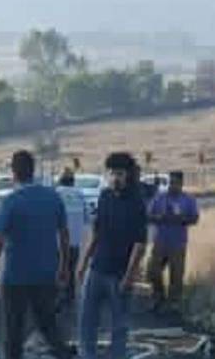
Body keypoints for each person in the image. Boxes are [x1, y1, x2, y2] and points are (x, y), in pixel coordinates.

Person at [0, 151, 73, 359]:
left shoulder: (11, 202)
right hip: (45, 273)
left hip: (16, 276)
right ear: (33, 170)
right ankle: (64, 354)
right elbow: (64, 235)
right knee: (49, 325)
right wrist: (64, 265)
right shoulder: (53, 197)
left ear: (13, 172)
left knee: (14, 331)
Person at [78, 153, 148, 359]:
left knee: (119, 324)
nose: (115, 178)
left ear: (128, 175)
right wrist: (83, 263)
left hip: (119, 273)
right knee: (87, 320)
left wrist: (129, 276)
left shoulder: (137, 202)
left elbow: (140, 244)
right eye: (111, 173)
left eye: (119, 173)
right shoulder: (105, 196)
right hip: (97, 268)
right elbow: (97, 233)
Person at [146, 170, 199, 313]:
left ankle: (173, 304)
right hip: (160, 241)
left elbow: (194, 218)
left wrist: (180, 218)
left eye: (175, 183)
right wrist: (161, 217)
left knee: (176, 276)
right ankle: (158, 296)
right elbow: (148, 216)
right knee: (152, 271)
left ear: (181, 184)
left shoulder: (188, 200)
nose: (172, 185)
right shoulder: (159, 198)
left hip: (178, 243)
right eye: (170, 182)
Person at [55, 168, 89, 310]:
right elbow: (87, 218)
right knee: (71, 266)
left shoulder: (56, 193)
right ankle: (70, 295)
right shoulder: (80, 194)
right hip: (75, 240)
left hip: (57, 241)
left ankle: (58, 296)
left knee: (58, 268)